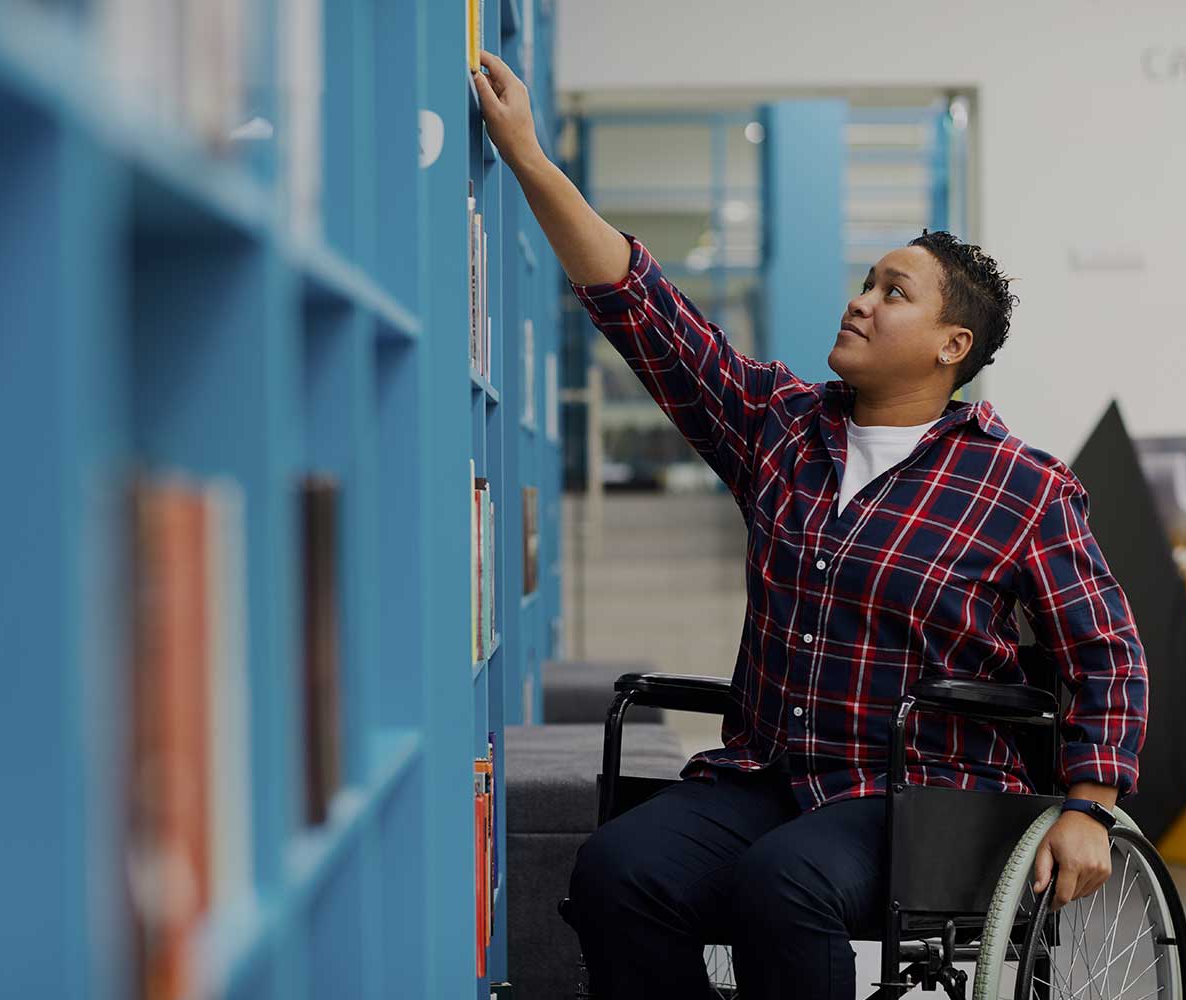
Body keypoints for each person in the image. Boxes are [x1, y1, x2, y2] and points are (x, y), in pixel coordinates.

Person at [473, 50, 1149, 999]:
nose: (861, 300)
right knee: (618, 871)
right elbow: (646, 313)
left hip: (921, 801)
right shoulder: (783, 427)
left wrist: (1092, 804)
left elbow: (1106, 651)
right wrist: (530, 158)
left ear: (954, 348)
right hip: (769, 777)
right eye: (866, 281)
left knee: (782, 885)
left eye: (893, 292)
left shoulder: (1022, 488)